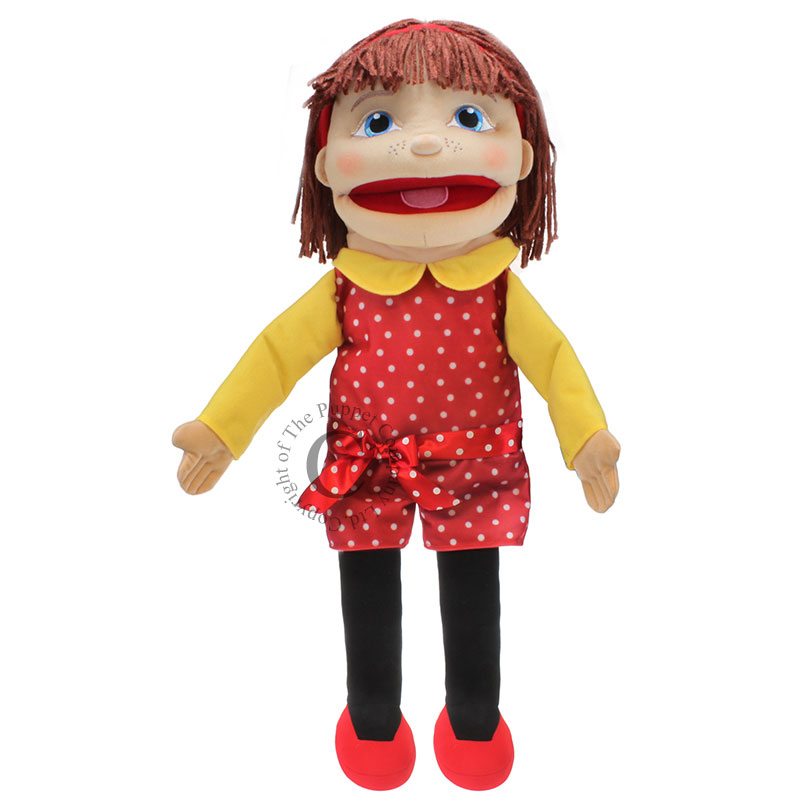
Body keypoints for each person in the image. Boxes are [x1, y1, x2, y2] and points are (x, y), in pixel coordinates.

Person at [172, 19, 621, 791]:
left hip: (472, 464)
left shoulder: (497, 289)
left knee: (473, 592)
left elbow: (555, 362)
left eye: (468, 118)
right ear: (325, 166)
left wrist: (585, 439)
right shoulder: (344, 287)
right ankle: (373, 718)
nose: (424, 145)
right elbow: (276, 356)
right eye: (378, 123)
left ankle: (473, 719)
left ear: (522, 156)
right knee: (368, 592)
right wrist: (222, 430)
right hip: (366, 462)